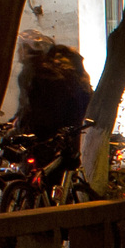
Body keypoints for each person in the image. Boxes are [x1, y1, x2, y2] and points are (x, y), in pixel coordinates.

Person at [18, 43, 93, 178]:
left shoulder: (47, 76)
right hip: (63, 134)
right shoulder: (77, 78)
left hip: (47, 134)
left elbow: (31, 106)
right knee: (54, 172)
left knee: (40, 173)